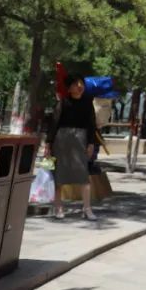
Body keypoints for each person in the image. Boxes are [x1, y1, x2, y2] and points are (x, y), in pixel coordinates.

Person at [46, 74, 98, 221]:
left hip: (80, 140)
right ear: (69, 88)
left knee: (83, 175)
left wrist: (91, 143)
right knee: (59, 175)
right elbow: (54, 123)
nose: (79, 86)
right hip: (61, 141)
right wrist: (48, 143)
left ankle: (87, 208)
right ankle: (58, 207)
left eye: (81, 83)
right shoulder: (63, 102)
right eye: (76, 84)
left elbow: (92, 125)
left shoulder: (88, 103)